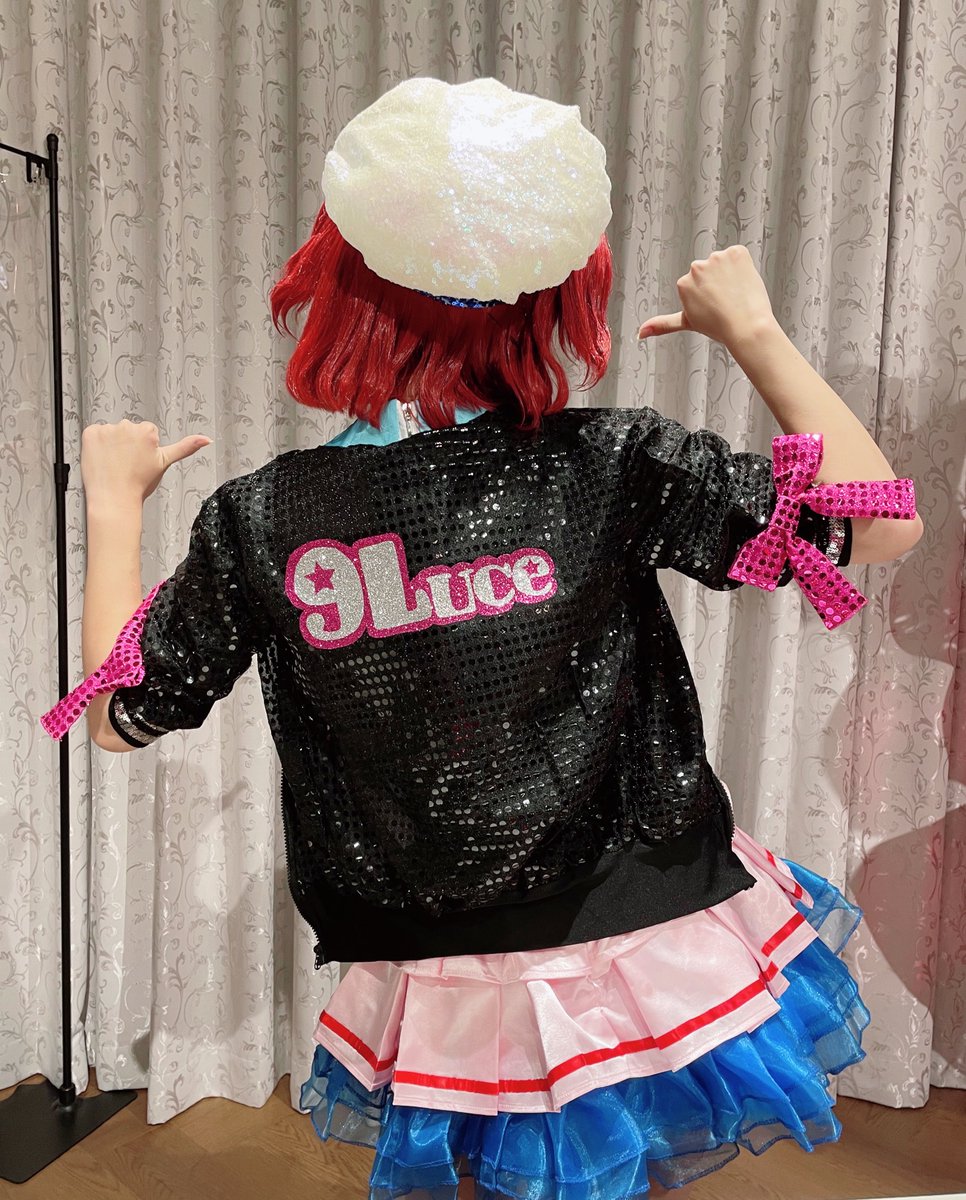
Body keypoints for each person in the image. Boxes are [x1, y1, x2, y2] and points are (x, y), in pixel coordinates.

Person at [41, 77, 920, 1199]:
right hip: (631, 928)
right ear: (553, 296)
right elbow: (875, 527)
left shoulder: (267, 515)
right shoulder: (607, 462)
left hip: (449, 957)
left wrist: (113, 505)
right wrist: (754, 332)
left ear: (336, 284)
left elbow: (117, 717)